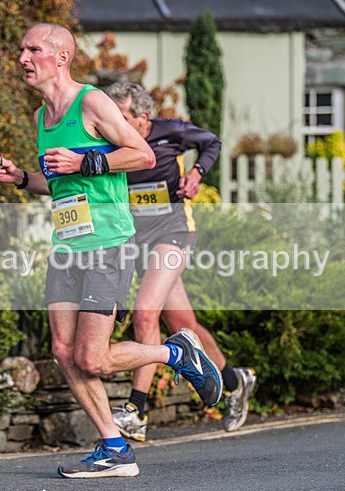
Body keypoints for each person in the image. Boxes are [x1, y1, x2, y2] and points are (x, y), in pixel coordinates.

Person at [0, 23, 223, 479]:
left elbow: (142, 155)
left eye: (33, 49)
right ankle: (115, 447)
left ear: (60, 57)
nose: (22, 57)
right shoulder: (42, 118)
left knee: (93, 358)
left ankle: (176, 354)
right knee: (62, 349)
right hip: (67, 244)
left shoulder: (92, 102)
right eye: (21, 49)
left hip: (108, 244)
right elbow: (57, 184)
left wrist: (85, 160)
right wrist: (20, 177)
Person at [104, 82, 257, 441]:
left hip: (172, 233)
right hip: (136, 240)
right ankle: (236, 382)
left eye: (122, 116)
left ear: (143, 117)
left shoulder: (170, 132)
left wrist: (196, 174)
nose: (115, 123)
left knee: (145, 313)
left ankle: (136, 411)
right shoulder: (112, 143)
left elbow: (212, 142)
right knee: (184, 325)